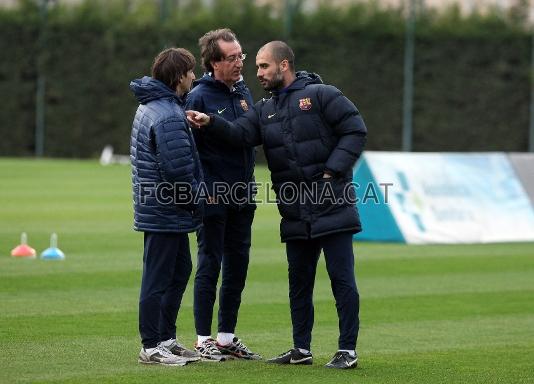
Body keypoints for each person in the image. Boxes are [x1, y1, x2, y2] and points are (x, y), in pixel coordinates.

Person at [187, 41, 367, 369]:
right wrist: (210, 122)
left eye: (263, 66)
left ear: (283, 66)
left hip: (332, 203)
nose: (257, 73)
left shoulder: (322, 94)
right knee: (298, 283)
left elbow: (355, 129)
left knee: (341, 279)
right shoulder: (264, 109)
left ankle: (347, 350)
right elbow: (240, 134)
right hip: (295, 210)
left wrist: (331, 171)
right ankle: (301, 349)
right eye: (255, 66)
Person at [185, 28, 260, 361]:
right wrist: (204, 189)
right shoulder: (199, 96)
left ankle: (226, 337)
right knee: (210, 263)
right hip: (213, 195)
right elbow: (190, 150)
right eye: (231, 58)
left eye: (240, 55)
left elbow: (249, 135)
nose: (239, 63)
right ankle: (203, 339)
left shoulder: (243, 91)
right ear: (213, 62)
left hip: (243, 193)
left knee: (238, 265)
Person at [130, 47, 203, 366]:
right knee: (158, 278)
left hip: (161, 207)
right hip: (165, 209)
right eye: (190, 72)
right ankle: (151, 346)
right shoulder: (168, 113)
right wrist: (198, 198)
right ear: (178, 77)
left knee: (179, 270)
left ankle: (167, 339)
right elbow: (176, 171)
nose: (194, 77)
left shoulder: (157, 106)